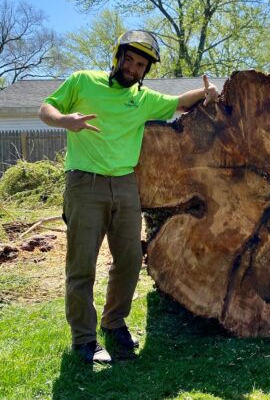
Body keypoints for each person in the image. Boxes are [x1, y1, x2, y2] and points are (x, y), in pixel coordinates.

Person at [39, 30, 218, 364]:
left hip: (124, 184)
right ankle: (84, 339)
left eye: (140, 65)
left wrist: (206, 92)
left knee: (130, 260)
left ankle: (114, 321)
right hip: (84, 183)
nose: (133, 69)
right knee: (82, 266)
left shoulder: (143, 98)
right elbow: (45, 108)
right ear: (117, 57)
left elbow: (179, 104)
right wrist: (64, 120)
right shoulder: (83, 82)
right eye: (130, 61)